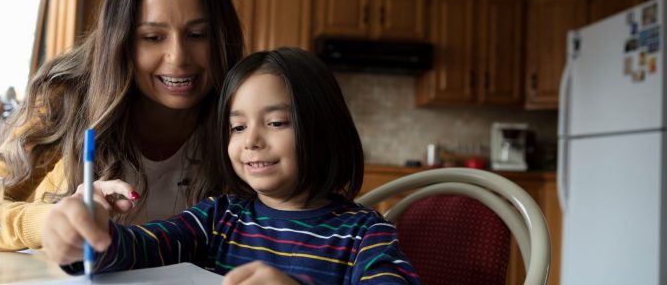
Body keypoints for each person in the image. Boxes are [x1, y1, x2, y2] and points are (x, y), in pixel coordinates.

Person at [42, 48, 422, 284]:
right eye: (237, 127)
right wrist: (87, 238)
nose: (251, 140)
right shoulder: (219, 217)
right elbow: (143, 247)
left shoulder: (365, 235)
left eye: (275, 123)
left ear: (324, 128)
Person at [0, 0, 243, 251]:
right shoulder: (67, 96)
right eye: (153, 37)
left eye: (198, 35)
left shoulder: (245, 113)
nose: (178, 56)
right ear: (120, 41)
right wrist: (52, 219)